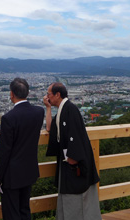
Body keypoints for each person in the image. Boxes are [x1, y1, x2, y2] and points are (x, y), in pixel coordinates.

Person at [43, 82, 101, 219]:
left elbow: (75, 135)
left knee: (77, 195)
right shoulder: (63, 110)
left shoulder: (70, 109)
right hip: (68, 161)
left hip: (74, 162)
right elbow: (50, 129)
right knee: (68, 193)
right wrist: (48, 108)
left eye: (48, 94)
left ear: (58, 94)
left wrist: (73, 159)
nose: (47, 97)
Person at [0, 78, 44, 220]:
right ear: (27, 93)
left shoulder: (9, 118)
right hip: (29, 170)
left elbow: (4, 151)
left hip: (12, 174)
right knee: (24, 209)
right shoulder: (39, 112)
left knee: (11, 212)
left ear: (12, 94)